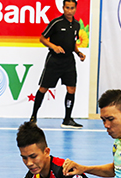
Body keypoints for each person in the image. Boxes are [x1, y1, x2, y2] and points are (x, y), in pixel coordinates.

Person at [29, 0, 86, 129]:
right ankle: (33, 117)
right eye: (67, 8)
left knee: (71, 89)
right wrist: (53, 47)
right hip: (54, 61)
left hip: (69, 62)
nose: (69, 10)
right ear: (63, 8)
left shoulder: (76, 25)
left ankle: (67, 119)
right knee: (43, 88)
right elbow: (42, 38)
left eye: (72, 8)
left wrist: (78, 53)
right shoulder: (56, 22)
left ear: (75, 9)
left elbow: (73, 43)